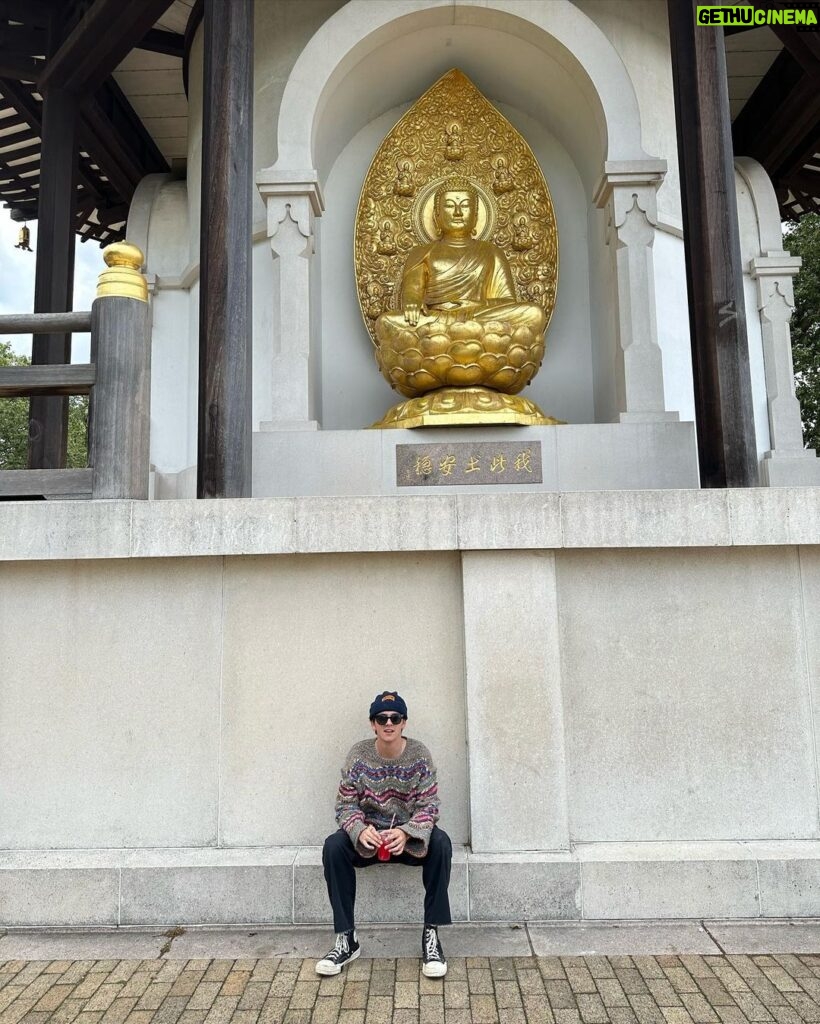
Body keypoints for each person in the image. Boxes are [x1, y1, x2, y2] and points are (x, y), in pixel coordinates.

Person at [316, 691, 452, 978]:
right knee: (333, 846)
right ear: (373, 724)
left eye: (395, 718)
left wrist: (406, 832)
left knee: (441, 843)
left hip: (407, 840)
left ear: (404, 723)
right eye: (382, 718)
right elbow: (344, 805)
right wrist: (359, 829)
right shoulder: (358, 755)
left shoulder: (420, 755)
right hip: (369, 839)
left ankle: (431, 936)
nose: (388, 723)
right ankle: (346, 938)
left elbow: (430, 806)